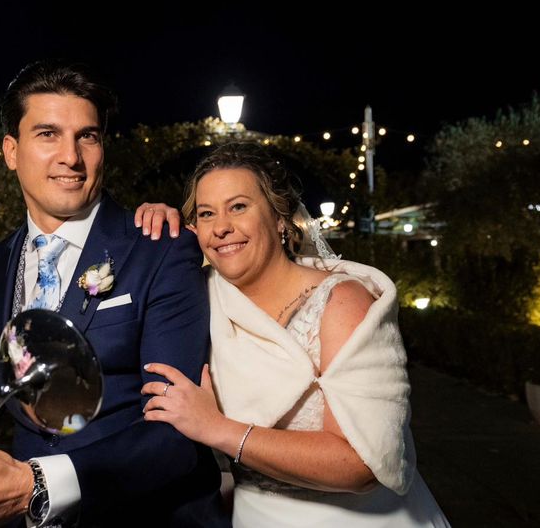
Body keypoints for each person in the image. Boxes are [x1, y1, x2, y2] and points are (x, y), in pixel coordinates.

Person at [0, 60, 228, 527]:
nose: (71, 156)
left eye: (87, 136)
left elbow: (178, 431)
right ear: (10, 150)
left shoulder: (159, 249)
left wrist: (37, 483)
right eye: (47, 134)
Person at [139, 142, 450, 527]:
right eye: (206, 213)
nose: (221, 227)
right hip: (255, 516)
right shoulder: (202, 297)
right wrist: (154, 226)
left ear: (280, 218)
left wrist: (217, 429)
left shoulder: (341, 302)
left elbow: (361, 463)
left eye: (238, 206)